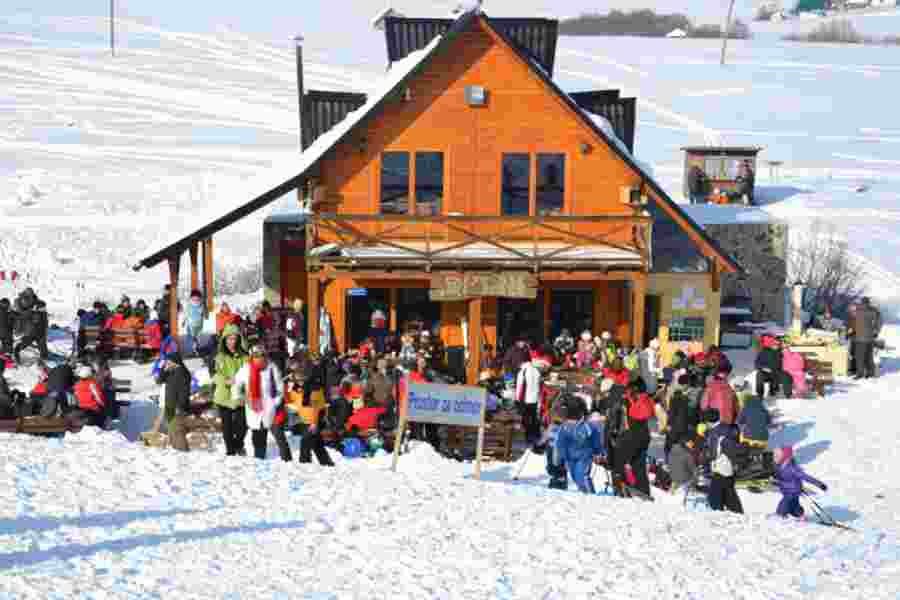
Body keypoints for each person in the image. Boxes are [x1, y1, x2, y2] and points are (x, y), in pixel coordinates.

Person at [234, 345, 291, 461]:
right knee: (258, 436)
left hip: (270, 407)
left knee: (278, 435)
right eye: (256, 356)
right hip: (254, 407)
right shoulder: (245, 369)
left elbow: (280, 386)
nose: (259, 358)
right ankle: (259, 460)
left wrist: (275, 402)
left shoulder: (271, 367)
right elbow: (236, 384)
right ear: (252, 357)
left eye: (262, 355)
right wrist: (239, 397)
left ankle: (287, 461)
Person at [555, 394, 606, 494]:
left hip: (584, 456)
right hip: (570, 457)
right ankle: (583, 492)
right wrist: (561, 457)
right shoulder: (565, 427)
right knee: (575, 477)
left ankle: (590, 495)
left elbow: (595, 439)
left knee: (582, 475)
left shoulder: (587, 426)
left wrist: (598, 452)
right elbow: (560, 442)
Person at [611, 383, 655, 497]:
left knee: (619, 461)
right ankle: (643, 490)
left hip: (632, 436)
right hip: (644, 436)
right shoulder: (645, 399)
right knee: (639, 464)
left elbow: (618, 422)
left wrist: (615, 434)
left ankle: (621, 487)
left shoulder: (625, 402)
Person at [213, 324, 249, 456]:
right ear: (224, 340)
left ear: (239, 340)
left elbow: (250, 373)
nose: (231, 342)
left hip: (240, 394)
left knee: (242, 426)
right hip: (224, 394)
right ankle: (230, 451)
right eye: (229, 339)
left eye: (234, 339)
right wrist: (224, 380)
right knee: (227, 427)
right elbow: (214, 375)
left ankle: (238, 444)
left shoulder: (244, 357)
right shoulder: (219, 357)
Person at [291, 357, 334, 466]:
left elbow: (316, 407)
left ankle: (304, 465)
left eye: (301, 380)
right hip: (304, 420)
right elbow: (294, 401)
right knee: (317, 444)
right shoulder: (297, 390)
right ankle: (327, 463)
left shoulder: (314, 389)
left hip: (313, 421)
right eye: (297, 380)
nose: (299, 382)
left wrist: (314, 423)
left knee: (305, 443)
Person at [704, 416, 747, 514]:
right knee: (727, 492)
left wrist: (744, 448)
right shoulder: (719, 432)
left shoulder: (721, 437)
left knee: (717, 494)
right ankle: (736, 511)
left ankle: (720, 511)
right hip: (722, 467)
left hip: (723, 468)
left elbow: (733, 449)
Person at [772, 446, 827, 518]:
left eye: (777, 456)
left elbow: (806, 477)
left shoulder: (792, 468)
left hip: (793, 491)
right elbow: (782, 476)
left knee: (784, 504)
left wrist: (820, 484)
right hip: (787, 490)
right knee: (794, 505)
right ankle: (799, 514)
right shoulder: (780, 466)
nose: (775, 458)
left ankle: (780, 515)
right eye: (775, 456)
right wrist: (775, 480)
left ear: (784, 457)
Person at [157, 352, 191, 452]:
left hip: (177, 408)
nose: (167, 363)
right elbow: (159, 381)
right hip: (169, 405)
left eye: (168, 361)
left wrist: (180, 407)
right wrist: (164, 370)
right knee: (172, 431)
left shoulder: (183, 373)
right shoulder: (170, 371)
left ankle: (183, 452)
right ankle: (176, 451)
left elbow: (184, 393)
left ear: (175, 362)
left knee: (178, 432)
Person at [851, 297, 882, 379]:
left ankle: (860, 373)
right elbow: (879, 322)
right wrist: (876, 332)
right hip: (869, 337)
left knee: (860, 357)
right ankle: (870, 372)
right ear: (868, 303)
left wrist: (851, 331)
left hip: (860, 337)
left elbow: (852, 321)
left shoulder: (857, 310)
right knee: (868, 356)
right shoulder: (873, 311)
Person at [516, 356, 544, 445]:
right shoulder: (536, 371)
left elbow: (520, 386)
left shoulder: (522, 371)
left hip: (525, 399)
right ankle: (535, 436)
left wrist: (517, 399)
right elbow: (540, 385)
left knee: (526, 418)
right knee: (534, 417)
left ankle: (528, 437)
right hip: (534, 399)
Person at [182, 290, 207, 357]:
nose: (196, 300)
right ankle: (191, 350)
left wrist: (204, 313)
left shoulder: (201, 306)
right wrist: (184, 321)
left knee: (197, 338)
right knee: (191, 338)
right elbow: (186, 314)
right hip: (190, 325)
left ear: (200, 299)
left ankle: (196, 349)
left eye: (197, 299)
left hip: (199, 325)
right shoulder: (189, 306)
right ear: (191, 299)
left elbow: (204, 314)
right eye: (194, 299)